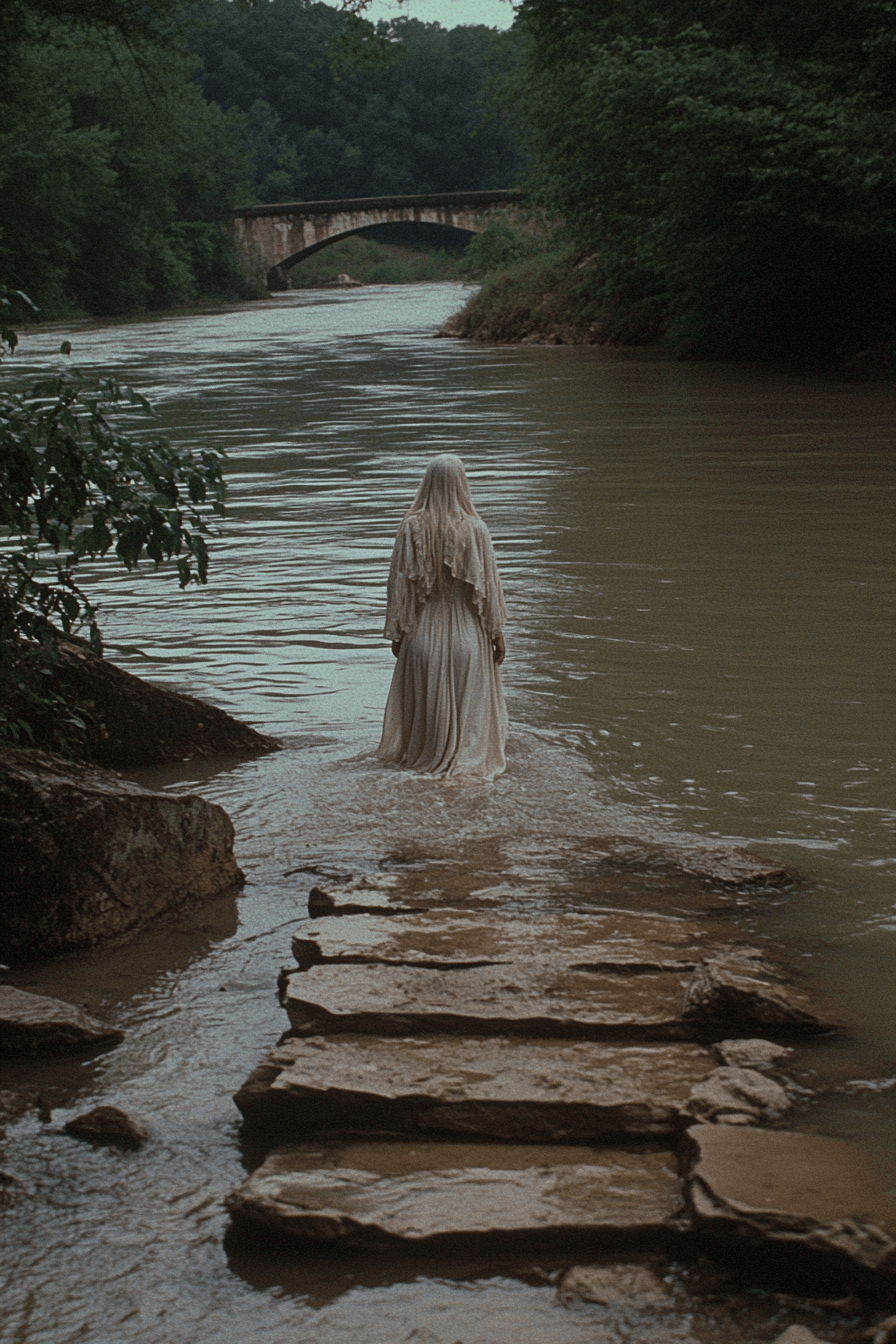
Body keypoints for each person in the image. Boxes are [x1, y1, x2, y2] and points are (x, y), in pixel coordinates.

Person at [377, 454, 508, 779]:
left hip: (422, 639)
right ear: (463, 485)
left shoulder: (411, 527)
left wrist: (397, 635)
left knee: (425, 737)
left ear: (427, 483)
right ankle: (460, 777)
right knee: (470, 735)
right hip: (468, 641)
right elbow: (489, 591)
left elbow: (398, 588)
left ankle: (428, 767)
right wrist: (497, 636)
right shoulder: (476, 529)